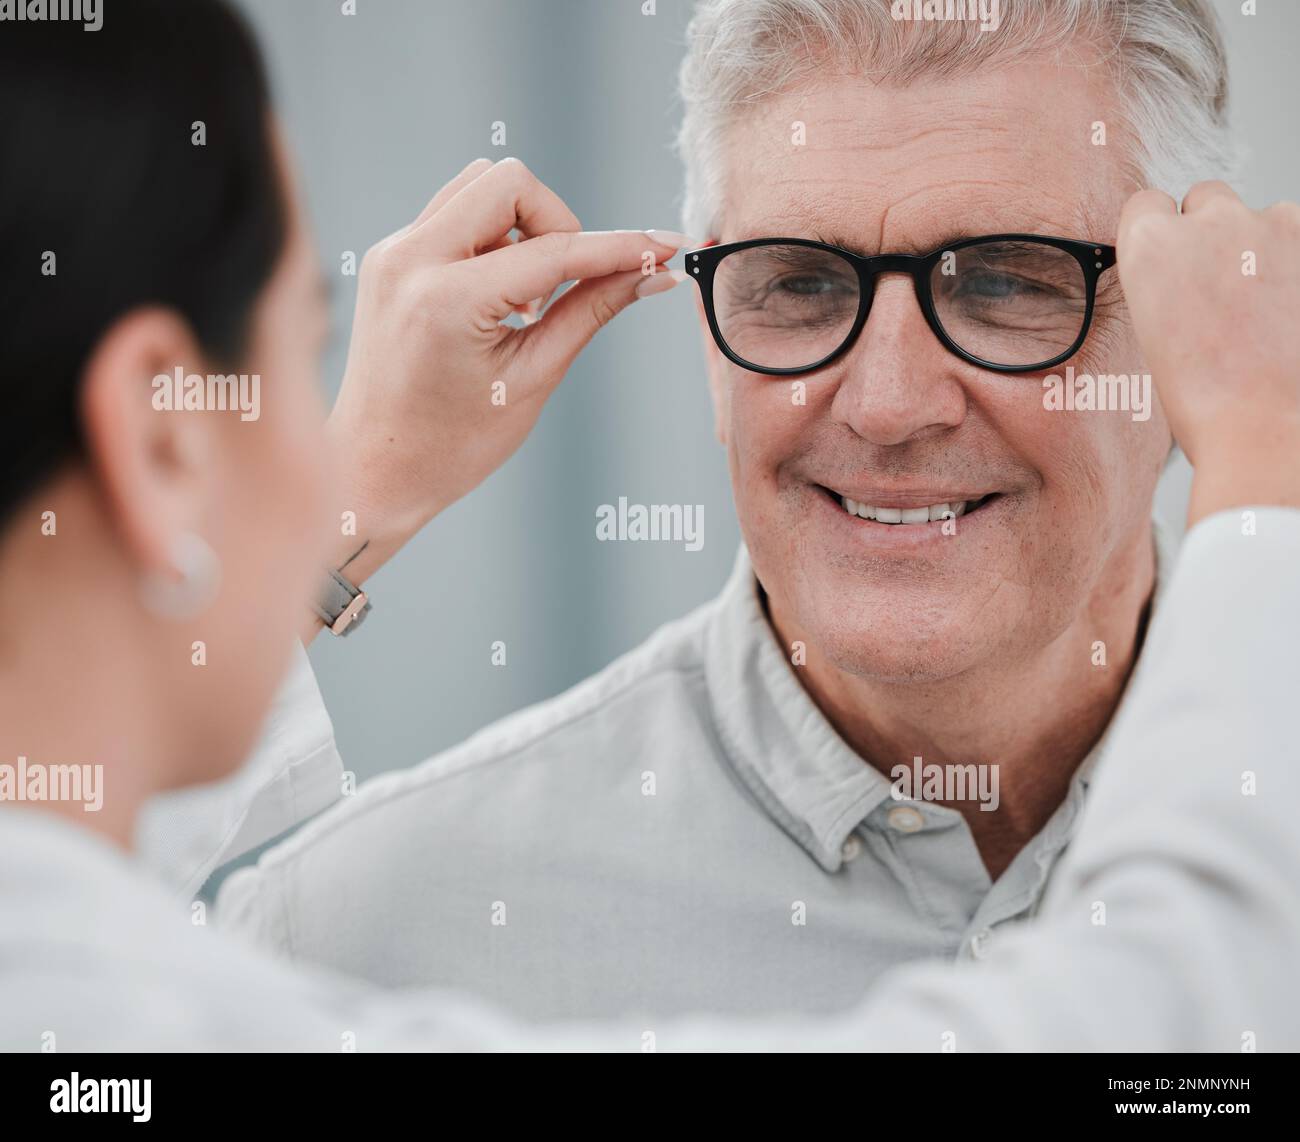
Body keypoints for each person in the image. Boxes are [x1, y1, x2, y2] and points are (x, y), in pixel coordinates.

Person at [1, 0, 1298, 1051]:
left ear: (1193, 331)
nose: (893, 401)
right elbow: (1183, 985)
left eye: (1010, 281)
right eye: (797, 283)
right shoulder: (341, 928)